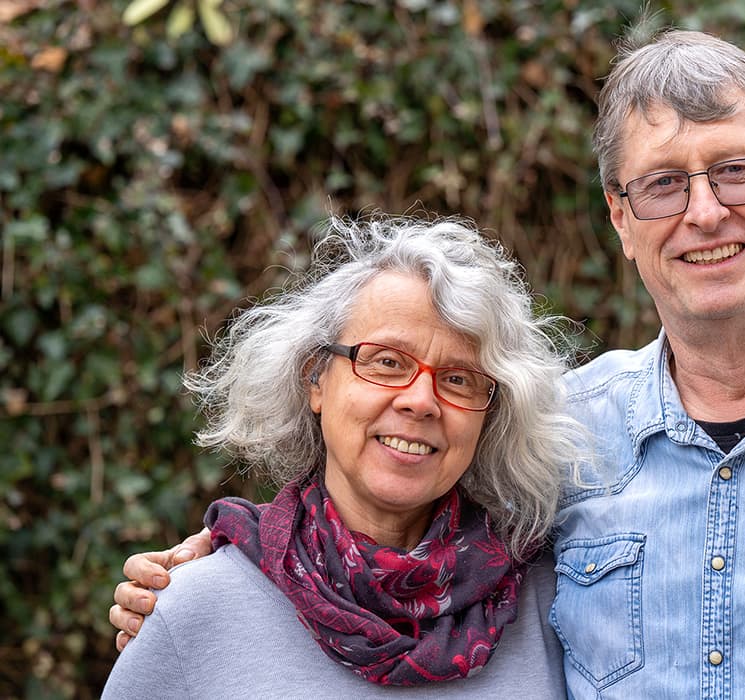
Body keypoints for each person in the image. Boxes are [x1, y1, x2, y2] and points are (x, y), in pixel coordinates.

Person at [111, 30, 745, 698]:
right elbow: (392, 524)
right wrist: (213, 570)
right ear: (622, 222)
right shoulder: (558, 440)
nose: (705, 211)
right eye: (663, 185)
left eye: (737, 171)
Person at [102, 215, 582, 697]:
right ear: (316, 378)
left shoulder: (550, 600)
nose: (420, 400)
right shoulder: (194, 611)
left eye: (459, 379)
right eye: (387, 362)